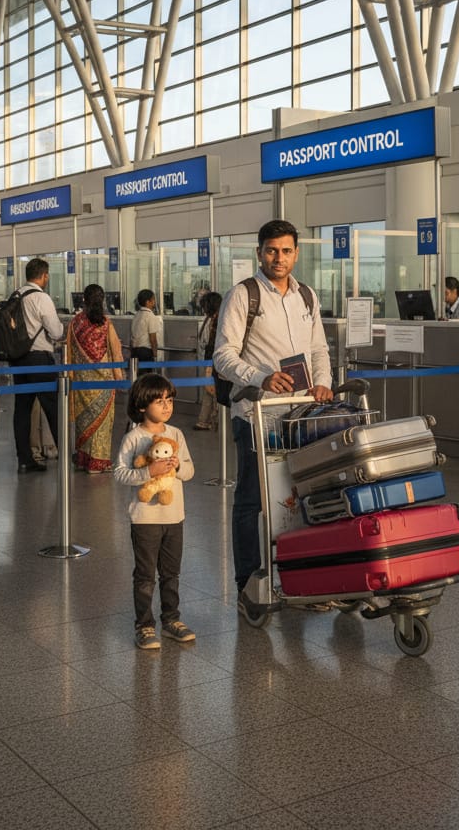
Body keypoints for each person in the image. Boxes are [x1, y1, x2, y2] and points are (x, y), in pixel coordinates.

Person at [212, 218, 332, 608]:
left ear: (296, 253)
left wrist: (323, 381)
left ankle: (301, 579)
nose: (278, 258)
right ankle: (249, 584)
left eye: (285, 251)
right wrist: (262, 377)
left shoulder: (307, 297)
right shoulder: (244, 295)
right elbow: (223, 355)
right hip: (255, 414)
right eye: (271, 250)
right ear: (259, 252)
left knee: (300, 497)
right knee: (252, 500)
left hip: (300, 414)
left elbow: (318, 350)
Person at [114, 373, 196, 650]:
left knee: (171, 572)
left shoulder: (176, 435)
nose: (166, 406)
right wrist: (148, 471)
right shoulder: (133, 438)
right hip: (145, 518)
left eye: (169, 400)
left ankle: (171, 619)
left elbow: (190, 469)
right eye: (159, 401)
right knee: (146, 574)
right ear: (141, 405)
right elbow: (120, 473)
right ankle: (145, 624)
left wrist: (176, 468)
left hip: (174, 516)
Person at [12, 257, 64, 473]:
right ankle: (64, 453)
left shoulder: (15, 296)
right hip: (39, 358)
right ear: (43, 276)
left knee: (22, 409)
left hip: (18, 357)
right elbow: (56, 332)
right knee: (52, 407)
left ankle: (25, 459)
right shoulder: (41, 298)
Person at [67, 283, 123, 473]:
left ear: (84, 299)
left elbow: (69, 352)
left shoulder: (75, 323)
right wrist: (119, 376)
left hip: (82, 382)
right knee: (103, 422)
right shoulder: (105, 323)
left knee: (84, 422)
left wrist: (70, 377)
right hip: (105, 382)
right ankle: (98, 462)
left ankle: (84, 460)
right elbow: (116, 350)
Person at [194, 290, 222, 431]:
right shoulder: (216, 320)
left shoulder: (209, 321)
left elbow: (204, 342)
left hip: (210, 360)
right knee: (213, 391)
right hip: (213, 360)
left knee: (210, 391)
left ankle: (205, 420)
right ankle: (212, 420)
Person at [130, 289, 162, 362]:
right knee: (147, 373)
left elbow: (132, 337)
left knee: (136, 373)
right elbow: (153, 339)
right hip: (145, 352)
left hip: (134, 351)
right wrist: (155, 355)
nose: (154, 302)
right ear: (148, 302)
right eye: (153, 299)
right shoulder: (150, 316)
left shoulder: (136, 315)